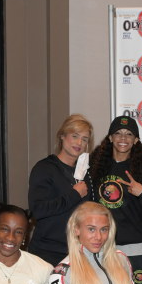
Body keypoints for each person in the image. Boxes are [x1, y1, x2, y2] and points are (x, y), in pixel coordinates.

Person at [88, 115, 142, 284]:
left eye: (129, 134)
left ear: (136, 140)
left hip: (135, 249)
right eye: (118, 133)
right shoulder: (95, 165)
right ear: (110, 137)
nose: (123, 138)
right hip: (100, 247)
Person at [27, 114, 93, 266]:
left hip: (78, 252)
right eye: (75, 136)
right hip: (47, 252)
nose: (79, 143)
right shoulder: (45, 168)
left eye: (84, 139)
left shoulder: (85, 173)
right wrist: (74, 194)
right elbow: (38, 210)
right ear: (62, 136)